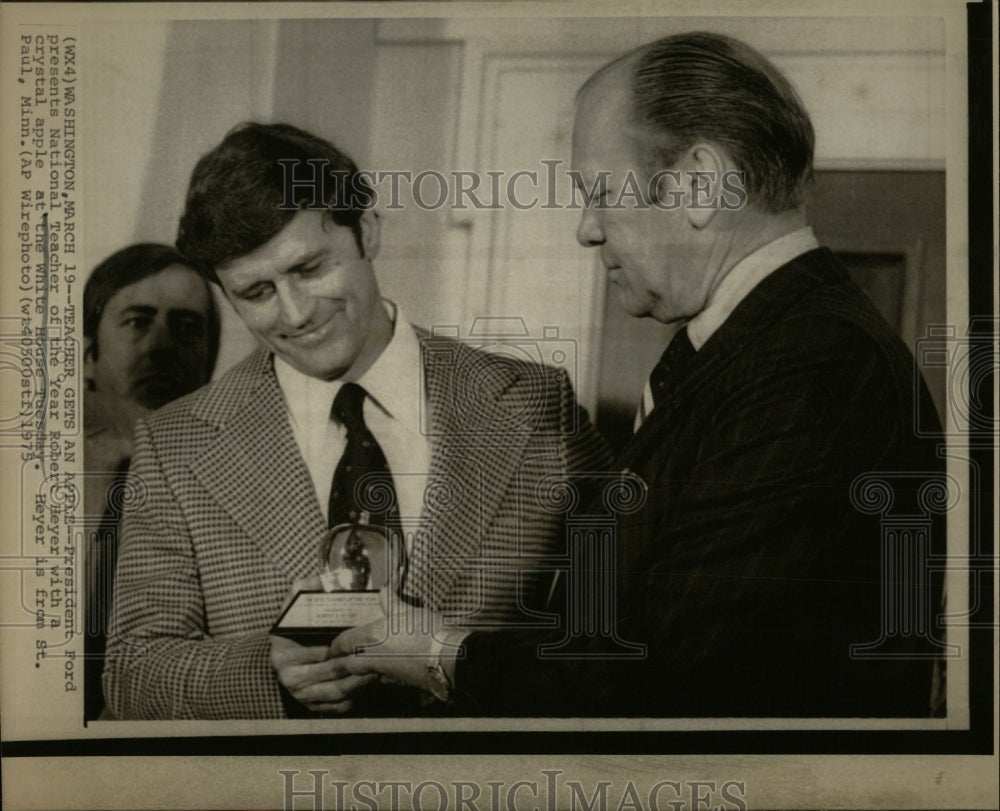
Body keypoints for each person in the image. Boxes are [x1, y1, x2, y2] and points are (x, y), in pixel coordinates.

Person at [331, 32, 947, 717]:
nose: (587, 230)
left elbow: (670, 674)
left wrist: (432, 651)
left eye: (599, 191)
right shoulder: (762, 348)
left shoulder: (817, 365)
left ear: (700, 183)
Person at [102, 123, 610, 719]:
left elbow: (616, 634)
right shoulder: (175, 443)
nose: (296, 314)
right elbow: (131, 673)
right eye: (256, 292)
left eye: (311, 269)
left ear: (366, 231)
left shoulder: (536, 406)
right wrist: (267, 672)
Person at [83, 243, 220, 718]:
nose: (163, 347)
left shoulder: (231, 496)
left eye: (187, 329)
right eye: (138, 321)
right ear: (87, 354)